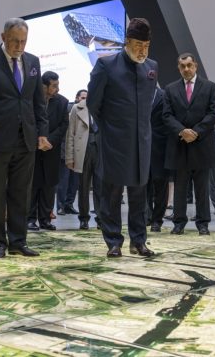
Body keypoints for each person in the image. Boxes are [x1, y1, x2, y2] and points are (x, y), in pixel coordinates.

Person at [0, 18, 50, 259]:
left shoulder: (33, 62)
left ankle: (18, 241)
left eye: (23, 41)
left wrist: (42, 133)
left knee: (21, 193)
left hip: (26, 139)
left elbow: (38, 102)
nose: (19, 46)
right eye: (15, 41)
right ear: (3, 37)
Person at [86, 18, 157, 258]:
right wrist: (109, 128)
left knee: (139, 194)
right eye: (138, 45)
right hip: (113, 141)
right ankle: (113, 241)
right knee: (112, 193)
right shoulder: (106, 65)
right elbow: (93, 103)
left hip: (142, 142)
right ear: (127, 42)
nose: (143, 51)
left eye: (146, 46)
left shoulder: (151, 67)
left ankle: (138, 241)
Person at [163, 52, 215, 236]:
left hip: (201, 144)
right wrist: (182, 131)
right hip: (179, 145)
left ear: (195, 66)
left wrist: (196, 132)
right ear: (178, 68)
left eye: (189, 65)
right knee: (180, 188)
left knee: (202, 188)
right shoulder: (170, 89)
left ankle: (203, 224)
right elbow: (166, 115)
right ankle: (179, 223)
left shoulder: (210, 87)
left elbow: (213, 113)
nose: (186, 69)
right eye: (182, 66)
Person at [28, 71, 69, 231]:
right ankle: (30, 219)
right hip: (33, 149)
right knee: (32, 185)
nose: (57, 89)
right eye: (54, 86)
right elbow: (28, 121)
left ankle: (45, 219)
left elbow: (63, 125)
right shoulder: (31, 99)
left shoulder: (62, 102)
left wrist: (48, 140)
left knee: (49, 186)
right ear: (44, 86)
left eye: (58, 85)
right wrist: (38, 139)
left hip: (52, 150)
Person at [66, 89, 101, 230]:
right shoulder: (77, 108)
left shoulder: (104, 106)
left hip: (100, 149)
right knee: (83, 186)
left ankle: (101, 218)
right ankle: (84, 218)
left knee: (101, 187)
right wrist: (70, 157)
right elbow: (70, 133)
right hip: (83, 150)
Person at [147, 86, 169, 232]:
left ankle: (157, 219)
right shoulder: (139, 92)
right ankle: (147, 216)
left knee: (161, 184)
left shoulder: (165, 95)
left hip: (160, 146)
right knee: (143, 184)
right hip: (141, 146)